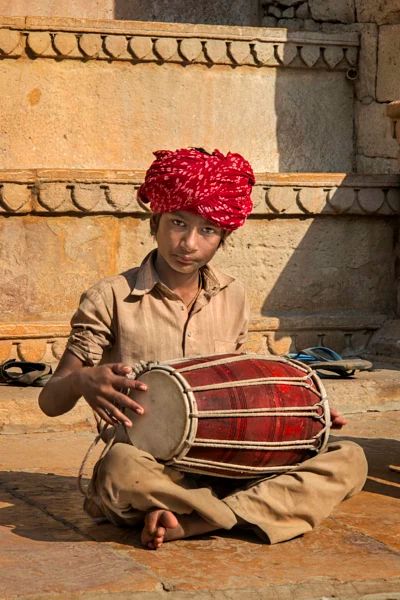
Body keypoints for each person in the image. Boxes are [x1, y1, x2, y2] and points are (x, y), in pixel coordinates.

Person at [39, 147, 368, 550]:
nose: (188, 243)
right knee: (118, 472)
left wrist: (301, 410)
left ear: (223, 237)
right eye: (178, 223)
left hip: (230, 463)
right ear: (155, 221)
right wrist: (82, 382)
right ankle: (234, 512)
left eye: (207, 230)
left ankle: (194, 519)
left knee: (349, 458)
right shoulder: (109, 296)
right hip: (151, 465)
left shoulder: (233, 295)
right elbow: (49, 402)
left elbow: (245, 385)